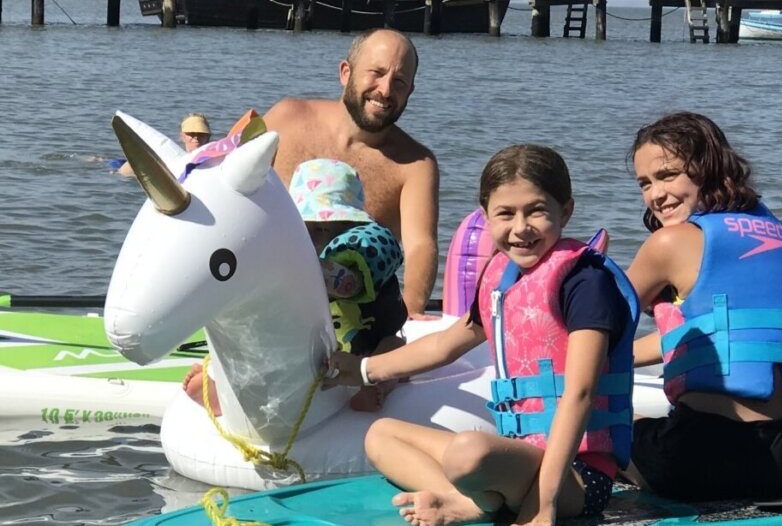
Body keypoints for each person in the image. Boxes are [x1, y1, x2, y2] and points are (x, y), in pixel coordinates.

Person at [321, 144, 640, 526]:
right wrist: (362, 369)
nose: (520, 228)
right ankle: (464, 501)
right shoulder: (501, 279)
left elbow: (581, 393)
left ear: (565, 211)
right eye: (505, 213)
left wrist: (544, 504)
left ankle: (472, 503)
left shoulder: (585, 283)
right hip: (521, 459)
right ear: (485, 216)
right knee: (381, 435)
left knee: (469, 452)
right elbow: (445, 344)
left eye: (536, 210)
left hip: (579, 476)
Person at [624, 111, 782, 502]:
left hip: (691, 461)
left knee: (593, 416)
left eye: (667, 175)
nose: (654, 195)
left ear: (707, 168)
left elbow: (594, 330)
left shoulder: (669, 244)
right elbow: (724, 335)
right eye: (645, 183)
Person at [183, 158, 408, 414]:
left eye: (324, 229)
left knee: (393, 349)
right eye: (305, 229)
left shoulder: (366, 249)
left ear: (351, 227)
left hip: (367, 348)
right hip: (313, 349)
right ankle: (224, 390)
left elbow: (348, 284)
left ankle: (376, 386)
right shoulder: (294, 249)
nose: (312, 239)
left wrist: (293, 265)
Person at [263, 28, 438, 318]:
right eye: (376, 73)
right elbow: (229, 186)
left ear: (410, 91)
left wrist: (410, 312)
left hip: (352, 318)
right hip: (265, 293)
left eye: (399, 82)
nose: (385, 90)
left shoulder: (416, 165)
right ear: (346, 72)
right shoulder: (286, 118)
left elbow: (420, 245)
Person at [116, 113, 212, 177]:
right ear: (182, 137)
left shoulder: (214, 161)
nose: (196, 137)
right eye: (191, 133)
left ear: (208, 137)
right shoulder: (171, 156)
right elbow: (122, 174)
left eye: (201, 134)